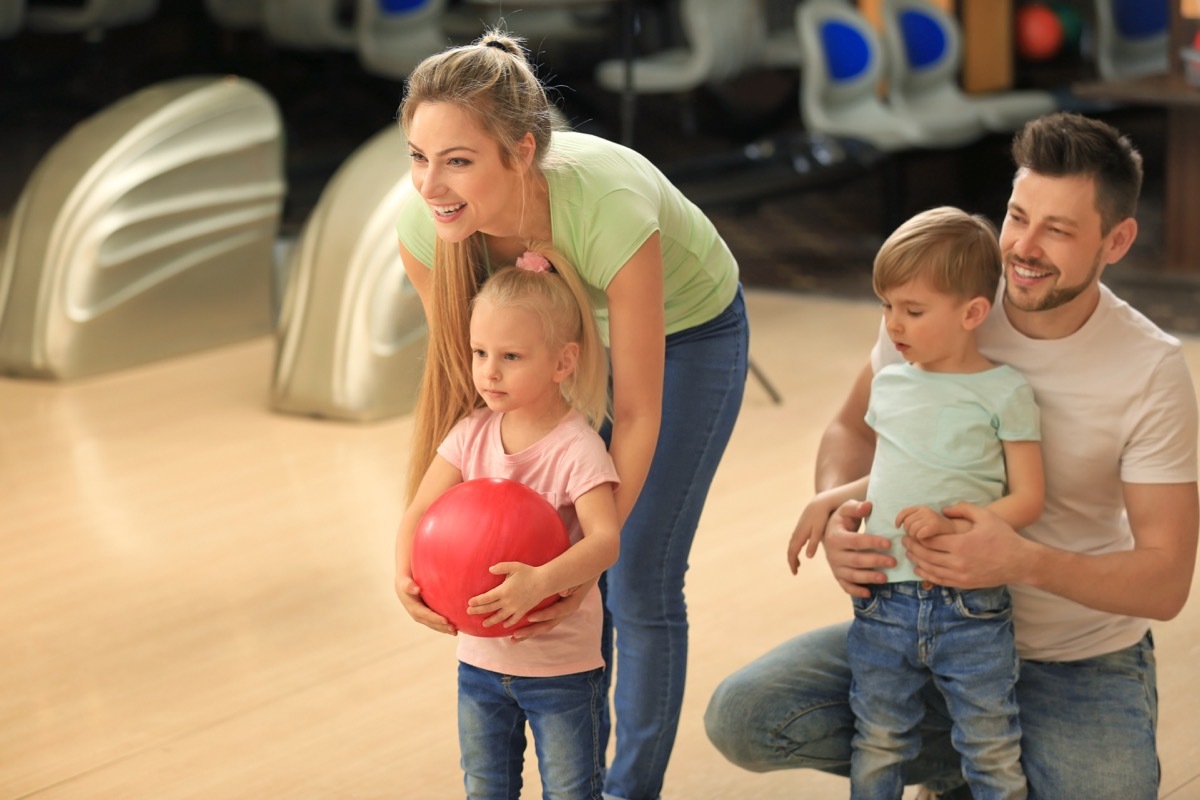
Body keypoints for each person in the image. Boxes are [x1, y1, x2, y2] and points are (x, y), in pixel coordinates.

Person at [705, 111, 1199, 799]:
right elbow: (851, 426)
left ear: (1116, 241)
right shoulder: (950, 298)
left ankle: (985, 760)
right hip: (917, 623)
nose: (1023, 247)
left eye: (1057, 230)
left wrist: (1021, 560)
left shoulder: (1150, 369)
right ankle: (975, 758)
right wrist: (848, 511)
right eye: (1018, 216)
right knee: (744, 716)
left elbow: (1165, 581)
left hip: (1073, 658)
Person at [395, 30, 749, 800]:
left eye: (457, 159)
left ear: (521, 152)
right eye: (418, 157)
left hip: (685, 333)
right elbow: (470, 397)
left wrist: (586, 552)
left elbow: (638, 405)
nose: (430, 183)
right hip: (548, 343)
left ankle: (630, 788)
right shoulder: (426, 228)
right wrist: (415, 547)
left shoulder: (606, 204)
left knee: (637, 575)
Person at [788, 207, 1043, 799]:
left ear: (973, 313)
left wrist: (951, 518)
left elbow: (1028, 498)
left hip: (969, 611)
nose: (894, 324)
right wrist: (825, 500)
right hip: (884, 606)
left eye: (914, 310)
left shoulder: (1005, 391)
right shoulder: (893, 382)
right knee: (876, 743)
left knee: (991, 748)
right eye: (887, 306)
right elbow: (890, 477)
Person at [396, 252, 621, 798]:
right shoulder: (470, 432)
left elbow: (606, 541)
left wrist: (541, 583)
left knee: (571, 788)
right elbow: (419, 512)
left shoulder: (577, 447)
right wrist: (403, 580)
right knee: (485, 785)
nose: (489, 371)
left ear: (562, 363)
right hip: (477, 660)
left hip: (561, 665)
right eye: (480, 353)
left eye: (511, 356)